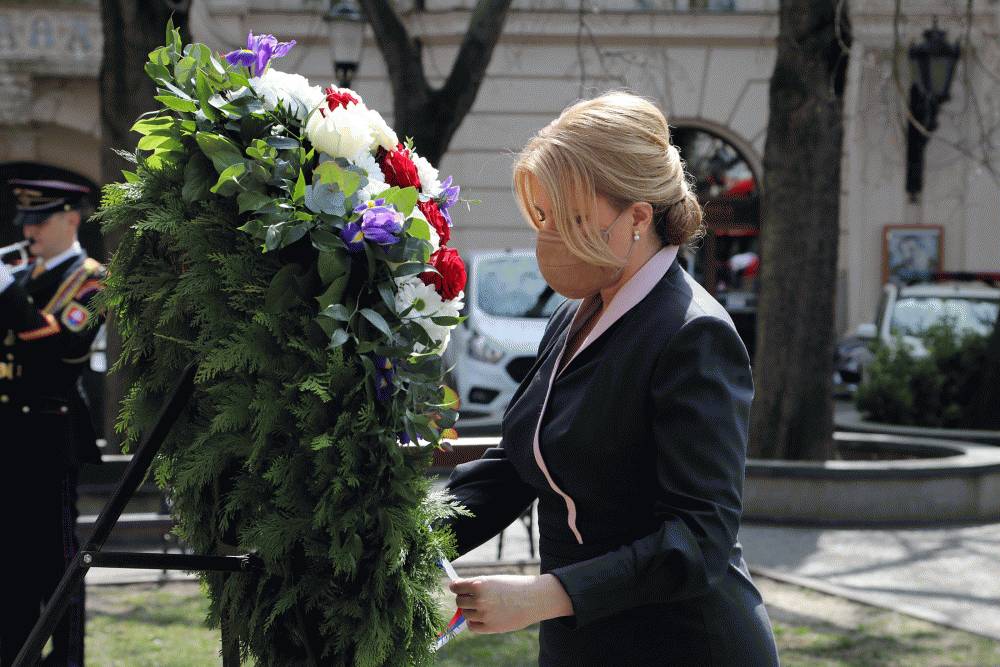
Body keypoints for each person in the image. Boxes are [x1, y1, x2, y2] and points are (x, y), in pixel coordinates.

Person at [443, 93, 780, 665]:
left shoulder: (692, 335)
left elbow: (700, 540)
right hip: (584, 644)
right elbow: (519, 463)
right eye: (544, 217)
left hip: (682, 645)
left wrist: (545, 596)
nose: (549, 237)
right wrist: (402, 537)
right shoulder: (574, 314)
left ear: (638, 217)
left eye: (571, 218)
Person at [0, 179, 105, 666]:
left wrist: (8, 295)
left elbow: (62, 351)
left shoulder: (92, 281)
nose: (29, 230)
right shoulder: (23, 275)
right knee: (10, 566)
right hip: (8, 437)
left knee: (56, 565)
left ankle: (64, 661)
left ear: (71, 220)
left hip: (48, 440)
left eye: (39, 220)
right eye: (24, 221)